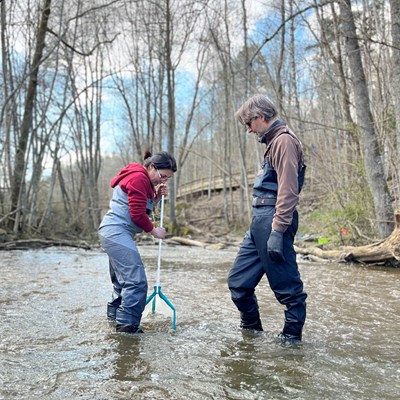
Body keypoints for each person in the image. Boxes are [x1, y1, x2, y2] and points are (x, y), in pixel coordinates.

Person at [227, 94, 307, 343]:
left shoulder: (283, 141)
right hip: (259, 222)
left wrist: (277, 230)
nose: (249, 130)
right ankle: (251, 335)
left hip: (274, 220)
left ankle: (290, 344)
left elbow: (288, 190)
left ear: (261, 117)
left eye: (249, 124)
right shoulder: (272, 144)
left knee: (288, 290)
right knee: (239, 284)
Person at [99, 150, 177, 333]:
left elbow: (140, 206)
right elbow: (136, 215)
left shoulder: (145, 182)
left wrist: (156, 198)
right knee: (136, 282)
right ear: (152, 167)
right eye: (163, 176)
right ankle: (128, 329)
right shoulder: (138, 178)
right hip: (116, 232)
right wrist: (153, 231)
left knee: (122, 282)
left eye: (168, 178)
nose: (163, 181)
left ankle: (114, 319)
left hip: (114, 233)